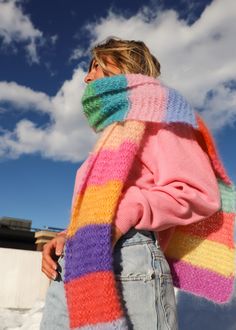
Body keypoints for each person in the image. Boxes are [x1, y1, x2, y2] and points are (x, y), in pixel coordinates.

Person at [40, 37, 234, 330]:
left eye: (95, 65)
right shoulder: (116, 130)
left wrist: (124, 215)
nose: (86, 76)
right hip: (78, 263)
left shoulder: (161, 113)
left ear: (118, 65)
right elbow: (105, 206)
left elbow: (198, 192)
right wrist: (69, 236)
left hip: (127, 260)